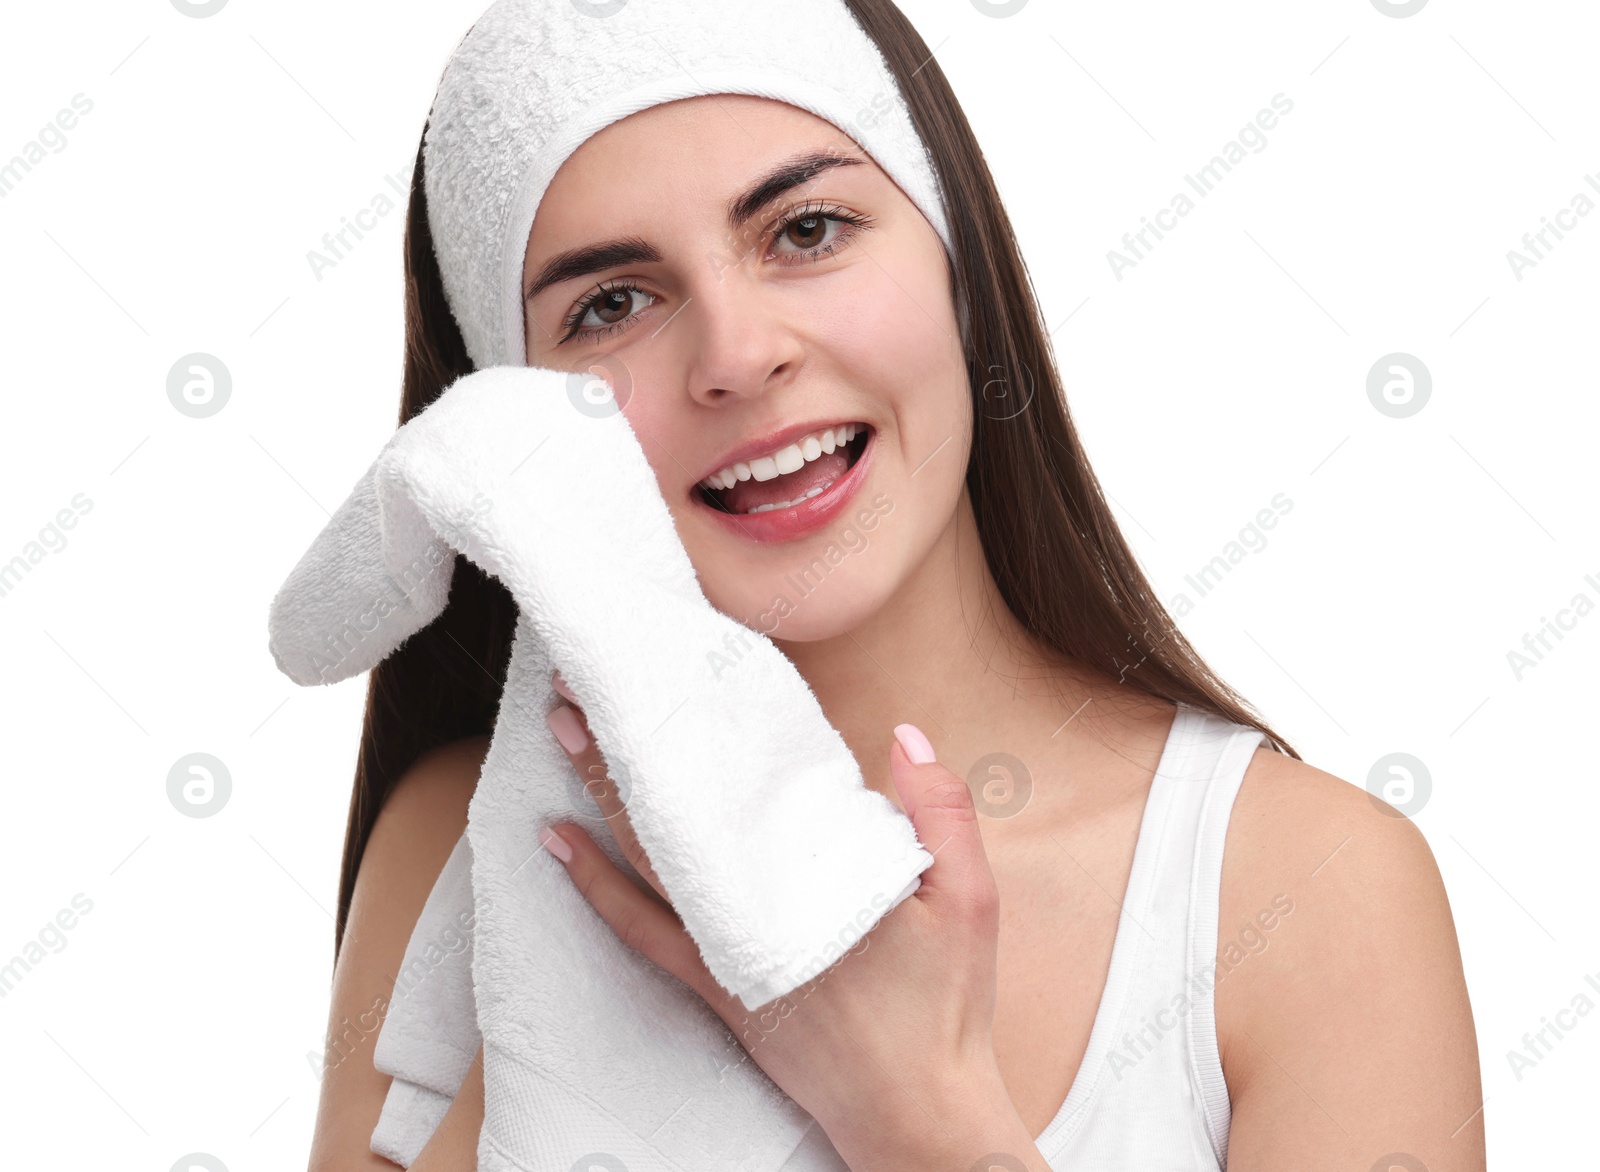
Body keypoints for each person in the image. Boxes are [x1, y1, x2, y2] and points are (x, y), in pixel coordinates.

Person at [307, 2, 1485, 1169]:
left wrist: (910, 1108)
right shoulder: (473, 854)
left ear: (954, 264)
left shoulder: (1310, 898)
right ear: (515, 426)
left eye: (807, 229)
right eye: (611, 304)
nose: (735, 353)